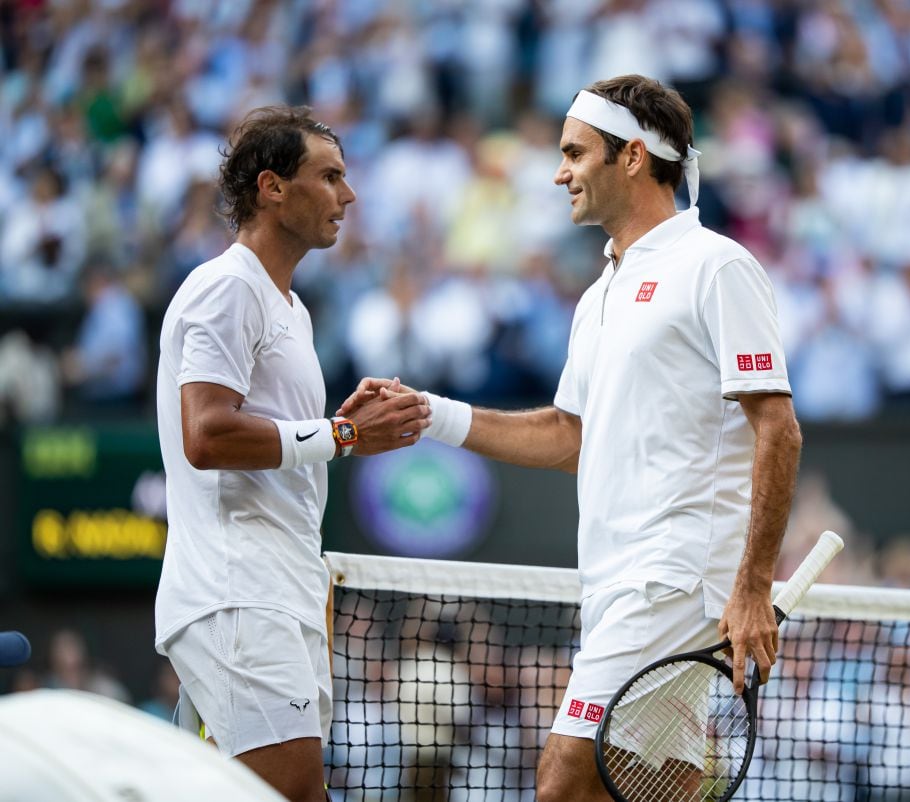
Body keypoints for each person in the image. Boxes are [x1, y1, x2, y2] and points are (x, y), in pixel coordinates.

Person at [340, 75, 802, 801]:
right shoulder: (598, 295)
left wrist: (751, 587)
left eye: (574, 153)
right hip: (616, 581)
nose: (558, 172)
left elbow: (778, 427)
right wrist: (429, 413)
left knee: (561, 777)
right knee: (659, 786)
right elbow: (566, 437)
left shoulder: (717, 265)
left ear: (634, 157)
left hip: (675, 577)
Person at [154, 106, 430, 802]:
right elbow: (208, 434)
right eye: (330, 176)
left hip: (282, 587)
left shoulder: (291, 307)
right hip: (237, 590)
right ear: (272, 187)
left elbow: (275, 438)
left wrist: (337, 426)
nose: (349, 194)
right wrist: (341, 437)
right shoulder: (226, 287)